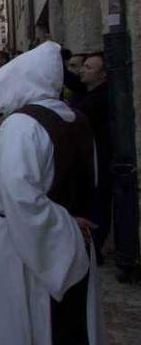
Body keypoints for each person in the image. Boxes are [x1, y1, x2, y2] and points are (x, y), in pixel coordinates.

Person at [0, 41, 105, 345]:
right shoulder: (76, 118)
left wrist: (62, 227)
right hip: (71, 239)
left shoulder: (21, 126)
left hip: (20, 245)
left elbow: (20, 197)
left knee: (21, 324)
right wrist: (70, 226)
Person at [74, 53, 111, 264]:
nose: (82, 70)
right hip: (90, 160)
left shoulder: (98, 99)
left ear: (102, 75)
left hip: (99, 161)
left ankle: (95, 247)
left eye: (88, 68)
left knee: (98, 205)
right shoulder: (87, 94)